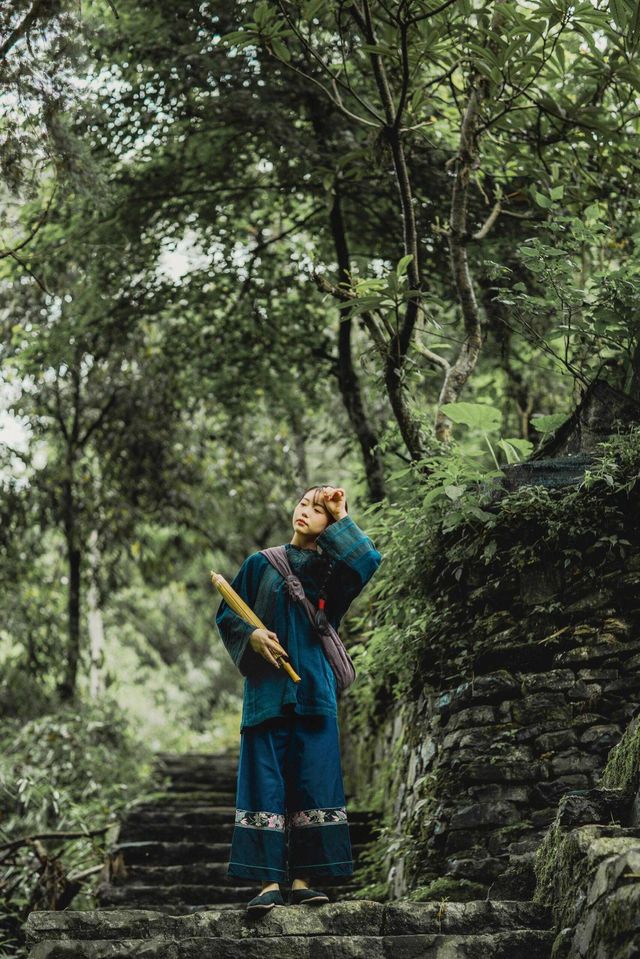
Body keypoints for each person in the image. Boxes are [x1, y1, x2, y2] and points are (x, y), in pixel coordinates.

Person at [215, 484, 382, 916]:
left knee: (313, 781)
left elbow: (368, 561)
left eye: (317, 509)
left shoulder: (332, 573)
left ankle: (305, 881)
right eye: (303, 503)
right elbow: (228, 616)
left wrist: (341, 512)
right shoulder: (258, 565)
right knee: (265, 783)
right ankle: (269, 883)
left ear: (330, 525)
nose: (305, 511)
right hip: (266, 695)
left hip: (314, 691)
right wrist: (252, 637)